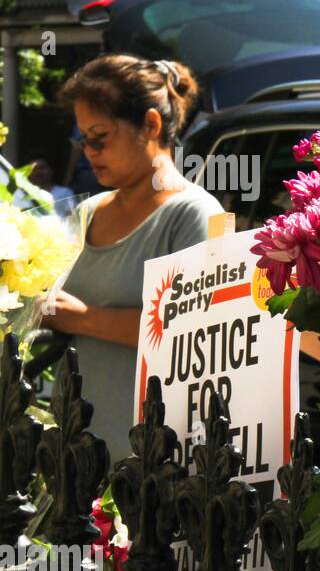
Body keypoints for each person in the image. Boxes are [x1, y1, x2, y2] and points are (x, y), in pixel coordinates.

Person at [43, 55, 223, 465]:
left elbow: (190, 335)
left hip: (148, 468)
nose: (89, 151)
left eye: (100, 136)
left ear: (151, 125)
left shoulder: (193, 213)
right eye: (82, 139)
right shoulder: (87, 212)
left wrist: (81, 317)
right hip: (73, 460)